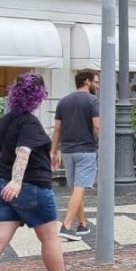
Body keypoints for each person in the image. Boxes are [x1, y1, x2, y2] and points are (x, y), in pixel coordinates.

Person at [0, 74, 88, 271]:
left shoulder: (8, 119)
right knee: (49, 238)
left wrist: (12, 174)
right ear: (39, 97)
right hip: (31, 187)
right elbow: (23, 151)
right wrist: (17, 181)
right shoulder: (29, 122)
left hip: (1, 183)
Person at [49, 68, 100, 242]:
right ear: (87, 81)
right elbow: (98, 126)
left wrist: (53, 151)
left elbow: (57, 129)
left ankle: (82, 224)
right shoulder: (93, 101)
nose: (97, 85)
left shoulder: (63, 101)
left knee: (75, 189)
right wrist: (105, 146)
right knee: (80, 188)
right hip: (86, 150)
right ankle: (67, 225)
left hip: (68, 152)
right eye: (96, 81)